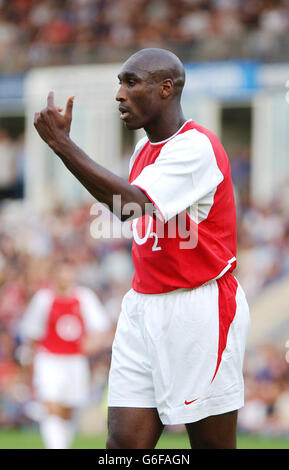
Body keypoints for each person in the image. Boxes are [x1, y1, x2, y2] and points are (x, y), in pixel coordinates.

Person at [33, 48, 250, 449]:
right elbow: (128, 210)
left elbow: (131, 204)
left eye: (131, 82)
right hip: (145, 305)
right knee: (123, 445)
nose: (119, 93)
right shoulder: (144, 150)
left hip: (198, 308)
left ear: (166, 89)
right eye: (119, 82)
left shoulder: (197, 146)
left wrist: (63, 145)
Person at [20, 260, 111, 449]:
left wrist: (92, 343)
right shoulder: (43, 298)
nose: (65, 277)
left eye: (68, 273)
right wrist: (30, 359)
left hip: (75, 360)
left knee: (69, 408)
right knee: (51, 405)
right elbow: (32, 331)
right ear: (54, 275)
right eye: (61, 273)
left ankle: (62, 444)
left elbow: (101, 328)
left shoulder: (84, 297)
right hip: (49, 359)